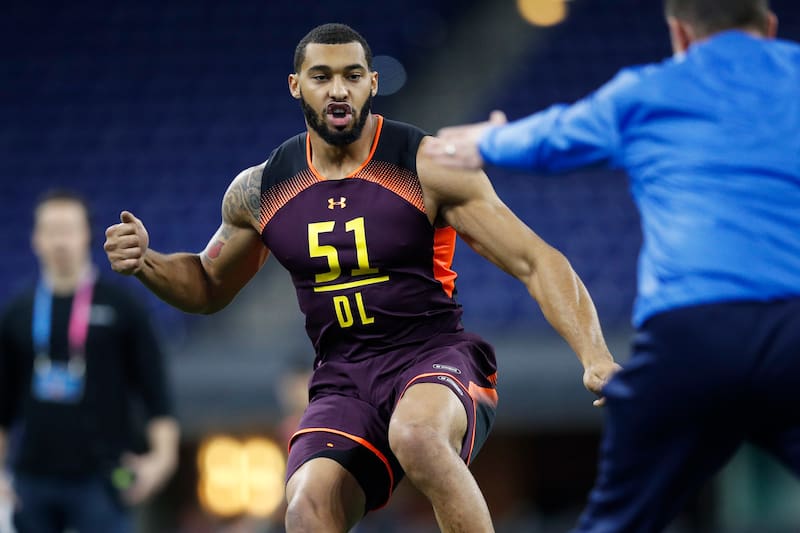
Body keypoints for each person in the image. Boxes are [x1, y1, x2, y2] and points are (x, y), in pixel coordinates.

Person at [103, 23, 618, 533]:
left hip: (434, 357)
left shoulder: (426, 166)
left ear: (372, 83)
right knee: (305, 508)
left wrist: (595, 357)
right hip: (342, 378)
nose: (338, 89)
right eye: (322, 76)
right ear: (296, 85)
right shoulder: (262, 188)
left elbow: (536, 259)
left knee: (416, 436)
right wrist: (147, 261)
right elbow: (208, 285)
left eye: (352, 75)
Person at [424, 0, 800, 531]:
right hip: (793, 330)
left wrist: (484, 140)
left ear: (681, 34)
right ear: (770, 28)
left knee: (617, 521)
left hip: (689, 339)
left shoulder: (646, 91)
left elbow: (552, 137)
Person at [0, 190, 180, 533]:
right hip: (32, 478)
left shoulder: (122, 308)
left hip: (104, 478)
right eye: (50, 230)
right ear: (36, 239)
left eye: (68, 229)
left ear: (87, 235)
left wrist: (161, 461)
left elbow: (156, 393)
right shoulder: (17, 315)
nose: (59, 241)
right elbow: (2, 407)